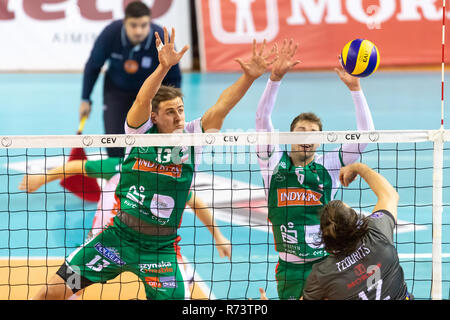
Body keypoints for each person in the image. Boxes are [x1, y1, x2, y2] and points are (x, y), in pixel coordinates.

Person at [33, 27, 274, 300]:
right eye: (170, 112)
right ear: (155, 118)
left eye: (181, 110)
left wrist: (248, 77)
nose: (179, 118)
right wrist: (162, 68)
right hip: (114, 243)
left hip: (159, 254)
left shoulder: (192, 139)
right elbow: (141, 100)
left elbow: (221, 107)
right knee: (50, 294)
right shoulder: (138, 134)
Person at [255, 39, 375, 299]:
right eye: (301, 130)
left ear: (320, 141)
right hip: (289, 269)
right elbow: (262, 119)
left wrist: (355, 88)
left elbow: (365, 136)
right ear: (288, 136)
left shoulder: (328, 165)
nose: (307, 136)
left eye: (313, 132)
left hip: (327, 263)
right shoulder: (272, 161)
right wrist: (274, 78)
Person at [19, 158, 232, 299]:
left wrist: (218, 235)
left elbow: (195, 201)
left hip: (154, 250)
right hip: (106, 242)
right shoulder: (119, 166)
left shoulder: (167, 179)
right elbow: (78, 166)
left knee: (182, 287)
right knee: (63, 288)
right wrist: (43, 178)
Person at [80, 1, 182, 158]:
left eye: (143, 25)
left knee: (154, 137)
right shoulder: (110, 34)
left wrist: (172, 105)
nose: (138, 31)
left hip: (151, 93)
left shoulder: (160, 40)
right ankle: (117, 178)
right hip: (117, 90)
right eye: (133, 25)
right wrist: (85, 99)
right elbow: (93, 66)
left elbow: (174, 77)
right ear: (124, 23)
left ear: (150, 23)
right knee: (115, 140)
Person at [302, 162, 412, 300]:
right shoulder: (377, 233)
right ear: (355, 222)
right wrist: (358, 168)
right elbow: (389, 195)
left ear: (325, 238)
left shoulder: (322, 275)